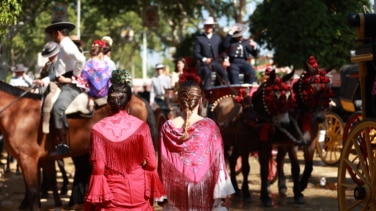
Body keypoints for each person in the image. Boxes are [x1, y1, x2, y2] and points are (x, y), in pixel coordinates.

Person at [85, 71, 166, 210]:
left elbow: (98, 168)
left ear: (109, 102)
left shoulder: (98, 129)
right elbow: (152, 164)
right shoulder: (142, 127)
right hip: (139, 192)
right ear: (129, 102)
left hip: (111, 195)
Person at [158, 72, 235, 210]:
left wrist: (161, 195)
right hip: (204, 187)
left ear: (178, 101)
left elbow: (163, 162)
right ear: (200, 101)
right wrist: (224, 192)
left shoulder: (167, 127)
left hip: (176, 188)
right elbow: (218, 162)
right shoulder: (210, 126)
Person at [33, 18, 86, 156]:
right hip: (64, 83)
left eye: (51, 33)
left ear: (57, 33)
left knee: (57, 108)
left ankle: (63, 144)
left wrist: (73, 77)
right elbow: (56, 73)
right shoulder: (63, 45)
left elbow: (81, 59)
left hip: (71, 86)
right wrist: (43, 81)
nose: (51, 36)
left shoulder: (66, 45)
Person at [193, 16, 229, 90]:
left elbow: (222, 50)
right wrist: (204, 59)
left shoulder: (217, 38)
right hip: (204, 65)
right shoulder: (199, 38)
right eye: (207, 26)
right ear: (204, 26)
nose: (208, 27)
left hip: (216, 63)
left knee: (224, 73)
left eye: (210, 26)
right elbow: (196, 53)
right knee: (207, 73)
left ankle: (224, 90)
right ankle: (207, 93)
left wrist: (225, 59)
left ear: (213, 27)